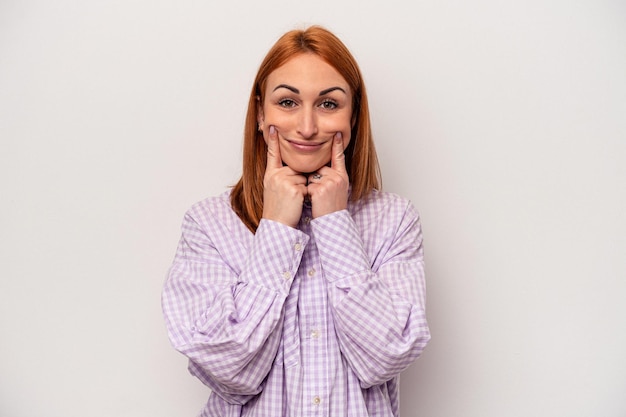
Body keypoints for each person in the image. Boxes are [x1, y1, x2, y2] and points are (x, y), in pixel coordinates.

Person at [161, 25, 430, 417]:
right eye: (287, 102)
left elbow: (387, 357)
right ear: (260, 113)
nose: (306, 127)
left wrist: (336, 225)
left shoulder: (394, 220)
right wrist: (276, 229)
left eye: (328, 104)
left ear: (353, 115)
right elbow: (228, 370)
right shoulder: (209, 223)